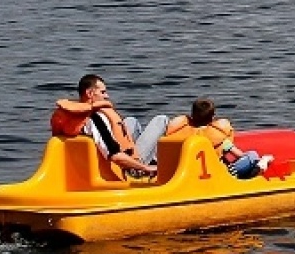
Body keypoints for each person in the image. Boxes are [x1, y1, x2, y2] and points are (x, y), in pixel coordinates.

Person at [51, 74, 187, 179]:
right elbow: (114, 155)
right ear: (90, 94)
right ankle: (151, 165)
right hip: (125, 168)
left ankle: (147, 158)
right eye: (103, 92)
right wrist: (146, 168)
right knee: (161, 120)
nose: (107, 96)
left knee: (131, 121)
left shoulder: (70, 117)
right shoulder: (95, 119)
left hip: (88, 169)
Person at [173, 97, 272, 179]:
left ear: (192, 116)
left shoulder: (183, 137)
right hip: (220, 175)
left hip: (191, 175)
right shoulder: (218, 137)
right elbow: (240, 155)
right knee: (252, 155)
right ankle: (261, 165)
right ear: (213, 117)